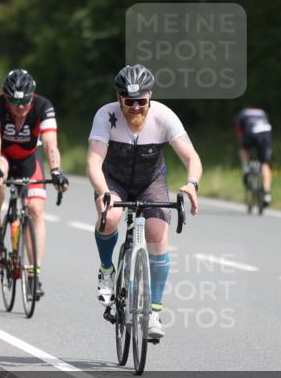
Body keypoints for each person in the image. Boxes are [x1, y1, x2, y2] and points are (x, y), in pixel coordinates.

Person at [86, 63, 201, 342]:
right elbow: (94, 161)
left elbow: (191, 157)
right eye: (129, 102)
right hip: (113, 181)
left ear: (150, 97)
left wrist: (192, 183)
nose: (136, 107)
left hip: (151, 182)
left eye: (141, 101)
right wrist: (103, 192)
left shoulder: (164, 116)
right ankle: (106, 271)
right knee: (110, 217)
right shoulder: (106, 115)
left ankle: (154, 312)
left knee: (158, 234)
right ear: (119, 98)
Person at [0, 69, 69, 300]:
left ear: (33, 96)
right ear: (5, 97)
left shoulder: (43, 106)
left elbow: (50, 143)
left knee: (36, 209)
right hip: (1, 155)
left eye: (25, 101)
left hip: (28, 159)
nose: (20, 106)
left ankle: (34, 273)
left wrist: (56, 171)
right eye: (14, 101)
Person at [235, 107, 273, 206]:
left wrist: (243, 143)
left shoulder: (242, 114)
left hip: (250, 132)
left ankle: (246, 168)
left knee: (243, 149)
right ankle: (267, 193)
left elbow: (240, 133)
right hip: (265, 133)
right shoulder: (262, 112)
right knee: (265, 164)